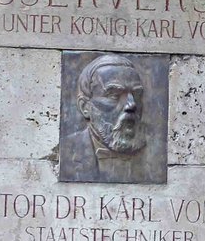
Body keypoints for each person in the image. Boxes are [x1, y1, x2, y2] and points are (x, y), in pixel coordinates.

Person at [59, 54, 147, 182]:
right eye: (114, 96)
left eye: (136, 95)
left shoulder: (159, 155)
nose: (131, 105)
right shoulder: (66, 151)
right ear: (85, 107)